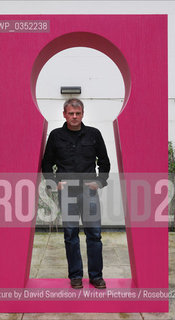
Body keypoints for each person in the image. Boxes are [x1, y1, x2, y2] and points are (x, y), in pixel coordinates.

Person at [42, 98, 110, 289]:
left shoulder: (93, 134)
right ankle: (76, 276)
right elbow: (46, 163)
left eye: (77, 113)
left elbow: (104, 162)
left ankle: (96, 276)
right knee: (71, 234)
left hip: (89, 192)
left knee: (94, 234)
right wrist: (56, 184)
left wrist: (98, 182)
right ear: (64, 114)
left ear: (83, 114)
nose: (74, 117)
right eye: (70, 113)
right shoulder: (56, 136)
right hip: (68, 193)